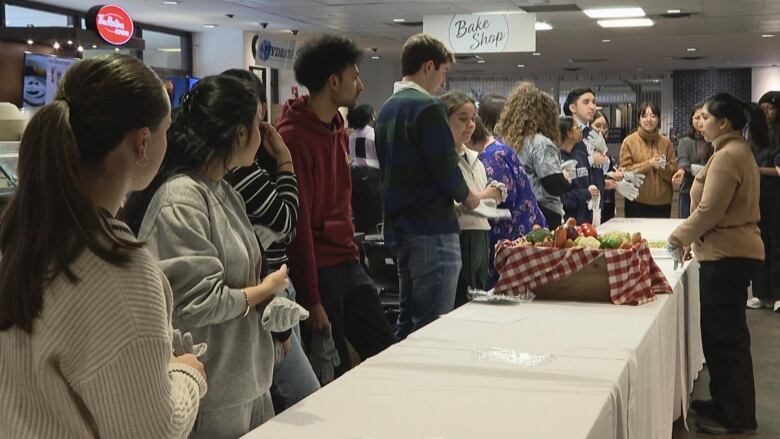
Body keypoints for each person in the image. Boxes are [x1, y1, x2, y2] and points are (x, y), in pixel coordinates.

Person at [0, 54, 206, 438]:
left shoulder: (19, 237)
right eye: (167, 129)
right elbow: (155, 430)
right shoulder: (116, 269)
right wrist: (187, 373)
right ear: (142, 143)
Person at [124, 75, 297, 438]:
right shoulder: (182, 197)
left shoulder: (222, 190)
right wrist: (264, 291)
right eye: (257, 125)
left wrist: (269, 304)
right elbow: (195, 302)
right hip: (210, 387)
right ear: (239, 134)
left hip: (244, 380)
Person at [277, 34, 396, 374]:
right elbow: (298, 227)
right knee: (334, 367)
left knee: (384, 347)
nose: (359, 85)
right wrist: (312, 299)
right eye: (354, 76)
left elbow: (343, 203)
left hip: (347, 260)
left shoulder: (339, 129)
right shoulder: (292, 138)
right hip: (318, 269)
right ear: (333, 82)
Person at [220, 68, 321, 411]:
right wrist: (285, 160)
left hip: (271, 291)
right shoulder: (237, 172)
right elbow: (286, 221)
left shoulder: (246, 167)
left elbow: (286, 226)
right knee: (303, 398)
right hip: (262, 297)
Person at [668, 92, 766, 435]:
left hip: (728, 255)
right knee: (723, 335)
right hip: (728, 252)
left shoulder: (728, 155)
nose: (701, 122)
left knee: (725, 338)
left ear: (723, 123)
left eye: (706, 117)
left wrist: (677, 237)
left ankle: (737, 416)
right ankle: (725, 402)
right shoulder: (731, 151)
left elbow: (710, 211)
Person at [375, 33, 480, 339]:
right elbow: (445, 166)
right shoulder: (428, 106)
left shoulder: (386, 109)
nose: (444, 82)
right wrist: (469, 197)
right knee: (432, 330)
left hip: (401, 228)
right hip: (431, 228)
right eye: (444, 72)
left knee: (407, 324)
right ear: (429, 66)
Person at [441, 91, 503, 307]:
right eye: (462, 119)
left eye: (473, 118)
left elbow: (488, 196)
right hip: (461, 233)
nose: (470, 125)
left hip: (482, 231)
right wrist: (486, 194)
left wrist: (488, 194)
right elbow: (462, 201)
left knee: (478, 294)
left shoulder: (475, 158)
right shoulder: (444, 158)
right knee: (461, 298)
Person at [471, 112, 545, 288]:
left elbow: (503, 196)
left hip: (512, 238)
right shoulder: (498, 148)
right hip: (527, 229)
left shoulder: (491, 157)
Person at [498, 81, 568, 227]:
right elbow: (553, 185)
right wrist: (566, 179)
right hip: (543, 213)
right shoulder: (540, 143)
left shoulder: (503, 141)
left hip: (513, 211)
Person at [619, 102, 678, 218]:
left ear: (658, 119)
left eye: (653, 116)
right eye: (644, 116)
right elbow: (624, 171)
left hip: (663, 203)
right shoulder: (629, 142)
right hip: (636, 201)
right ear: (638, 119)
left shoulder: (666, 143)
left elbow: (673, 172)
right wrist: (648, 164)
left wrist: (662, 166)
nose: (649, 120)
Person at [749, 91, 780, 310]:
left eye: (770, 108)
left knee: (777, 243)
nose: (766, 113)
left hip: (776, 194)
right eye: (762, 109)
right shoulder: (756, 135)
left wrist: (756, 169)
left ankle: (778, 293)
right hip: (758, 194)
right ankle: (761, 293)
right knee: (760, 243)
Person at [563, 88, 614, 214]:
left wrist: (606, 160)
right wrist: (590, 160)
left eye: (594, 102)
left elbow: (605, 168)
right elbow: (564, 161)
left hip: (596, 200)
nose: (592, 107)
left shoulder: (593, 133)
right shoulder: (565, 133)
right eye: (586, 102)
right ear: (573, 107)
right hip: (575, 202)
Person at [347, 104, 382, 233]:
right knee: (374, 219)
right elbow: (380, 155)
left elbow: (350, 157)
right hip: (372, 179)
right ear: (371, 116)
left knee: (360, 219)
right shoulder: (373, 133)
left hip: (354, 177)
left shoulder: (352, 135)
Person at [673, 103, 712, 219]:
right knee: (686, 226)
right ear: (691, 120)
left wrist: (693, 168)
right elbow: (683, 161)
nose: (700, 121)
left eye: (704, 117)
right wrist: (682, 171)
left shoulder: (715, 141)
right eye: (697, 117)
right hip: (688, 190)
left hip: (710, 192)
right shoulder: (685, 141)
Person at [559, 116, 599, 224]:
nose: (581, 129)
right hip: (567, 222)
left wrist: (593, 190)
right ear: (569, 133)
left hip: (586, 221)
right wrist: (586, 193)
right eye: (577, 127)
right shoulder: (557, 160)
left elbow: (590, 184)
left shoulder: (582, 156)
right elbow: (563, 199)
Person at [590, 111, 621, 222]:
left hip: (607, 200)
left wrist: (617, 173)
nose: (602, 130)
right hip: (590, 201)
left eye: (604, 127)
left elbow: (608, 171)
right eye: (598, 126)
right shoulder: (582, 149)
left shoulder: (604, 149)